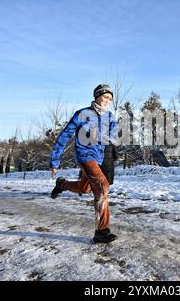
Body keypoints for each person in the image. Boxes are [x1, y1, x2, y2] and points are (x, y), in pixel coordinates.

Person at [49, 84, 118, 244]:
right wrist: (54, 161)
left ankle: (63, 185)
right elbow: (64, 136)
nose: (107, 101)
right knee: (102, 186)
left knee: (85, 188)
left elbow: (113, 138)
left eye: (110, 99)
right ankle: (101, 231)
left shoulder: (110, 117)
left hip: (100, 158)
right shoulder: (82, 114)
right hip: (85, 156)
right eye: (105, 97)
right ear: (97, 96)